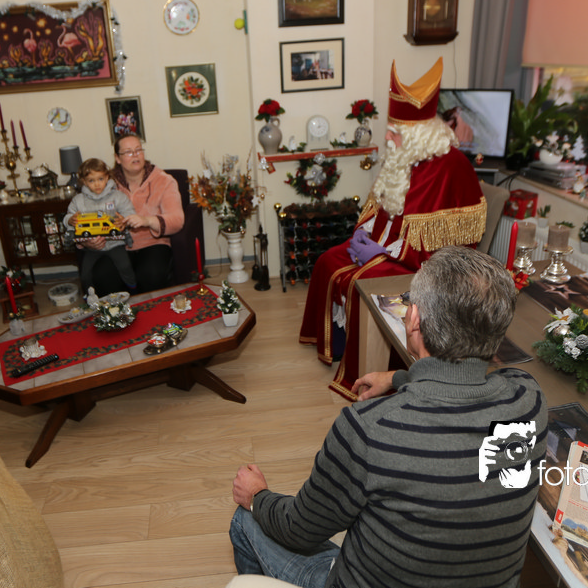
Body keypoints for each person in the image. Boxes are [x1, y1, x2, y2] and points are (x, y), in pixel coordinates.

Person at [231, 247, 548, 588]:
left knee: (245, 520)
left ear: (414, 320)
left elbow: (299, 530)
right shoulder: (529, 399)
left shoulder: (367, 429)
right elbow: (468, 379)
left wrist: (257, 496)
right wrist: (398, 378)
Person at [299, 58, 486, 399]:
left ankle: (368, 371)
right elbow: (383, 205)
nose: (387, 136)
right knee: (327, 260)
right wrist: (364, 232)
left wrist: (383, 252)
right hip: (386, 246)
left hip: (417, 265)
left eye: (395, 132)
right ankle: (335, 345)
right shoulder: (404, 157)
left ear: (419, 136)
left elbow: (448, 251)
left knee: (360, 281)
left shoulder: (451, 167)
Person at [80, 133, 185, 295]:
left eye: (138, 150)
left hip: (153, 244)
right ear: (117, 158)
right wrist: (88, 242)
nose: (135, 155)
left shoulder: (164, 181)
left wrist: (147, 221)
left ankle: (151, 310)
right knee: (102, 276)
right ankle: (117, 311)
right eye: (128, 152)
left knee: (151, 275)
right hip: (115, 245)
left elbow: (177, 220)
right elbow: (85, 217)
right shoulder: (104, 183)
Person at [67, 157, 138, 291]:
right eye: (91, 181)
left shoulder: (117, 196)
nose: (97, 184)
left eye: (100, 179)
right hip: (92, 246)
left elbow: (130, 213)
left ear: (107, 177)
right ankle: (89, 296)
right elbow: (69, 216)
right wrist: (70, 220)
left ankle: (133, 288)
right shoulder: (78, 200)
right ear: (84, 182)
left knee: (125, 266)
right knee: (85, 273)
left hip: (115, 243)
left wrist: (124, 220)